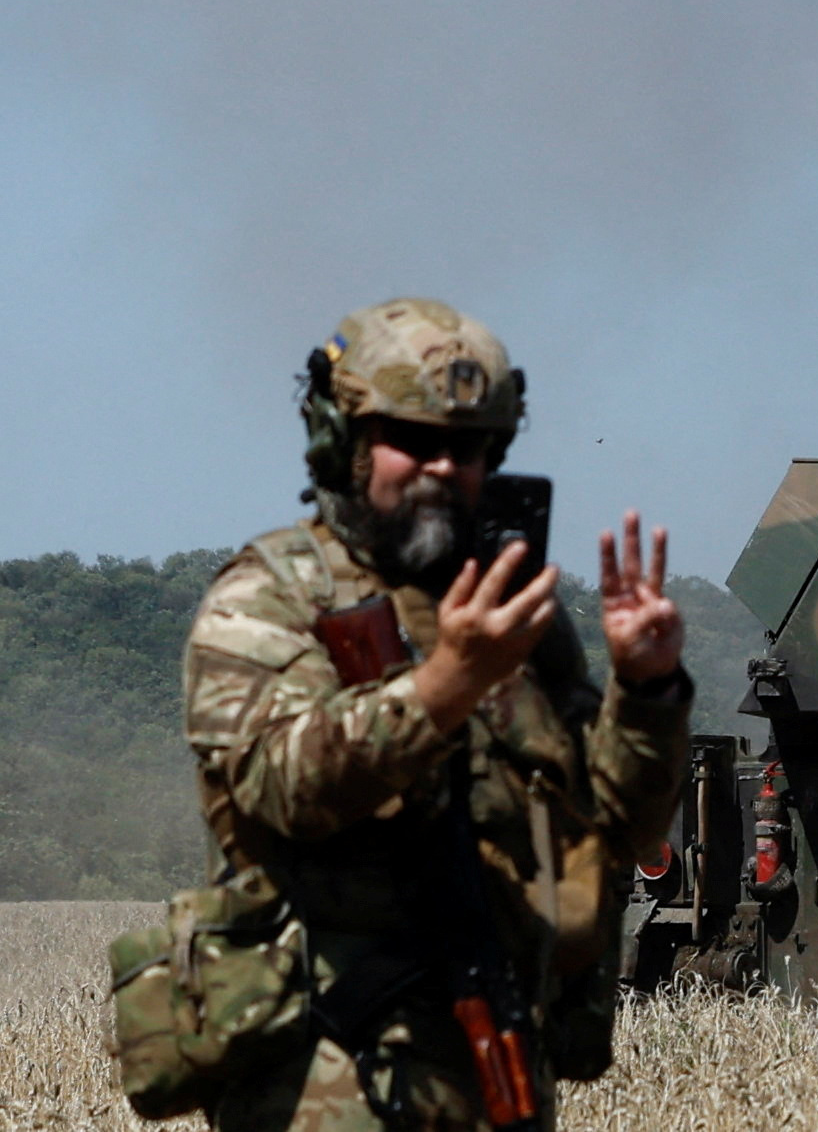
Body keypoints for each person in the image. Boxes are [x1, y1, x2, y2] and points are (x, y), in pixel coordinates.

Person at [184, 297, 691, 1130]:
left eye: (469, 448)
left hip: (494, 1072)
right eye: (413, 440)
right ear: (341, 443)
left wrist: (646, 691)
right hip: (323, 1087)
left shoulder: (515, 615)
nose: (444, 468)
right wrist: (443, 686)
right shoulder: (268, 596)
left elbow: (620, 827)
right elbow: (280, 784)